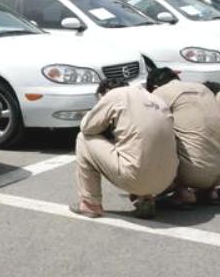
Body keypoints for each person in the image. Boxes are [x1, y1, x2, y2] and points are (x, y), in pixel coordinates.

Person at [73, 78, 179, 220]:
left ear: (102, 95)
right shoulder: (155, 99)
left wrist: (98, 108)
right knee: (137, 145)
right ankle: (145, 198)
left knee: (83, 138)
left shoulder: (114, 95)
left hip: (137, 177)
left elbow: (87, 127)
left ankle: (90, 204)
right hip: (167, 181)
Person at [146, 68, 220, 205]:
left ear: (154, 87)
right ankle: (210, 191)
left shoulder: (160, 93)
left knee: (160, 137)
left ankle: (182, 192)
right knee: (200, 132)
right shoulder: (203, 89)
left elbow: (150, 130)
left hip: (195, 173)